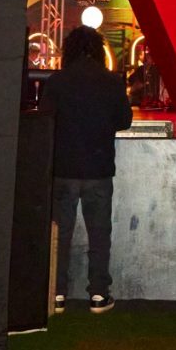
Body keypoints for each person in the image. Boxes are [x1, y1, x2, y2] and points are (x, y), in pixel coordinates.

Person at [47, 25, 132, 313]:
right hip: (98, 168)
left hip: (63, 168)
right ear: (98, 50)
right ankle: (98, 293)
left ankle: (56, 293)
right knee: (99, 234)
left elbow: (45, 120)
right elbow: (124, 121)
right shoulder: (111, 81)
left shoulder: (57, 81)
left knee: (60, 235)